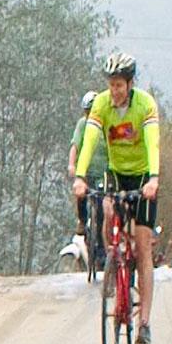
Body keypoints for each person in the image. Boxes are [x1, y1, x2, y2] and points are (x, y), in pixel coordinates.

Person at [73, 52, 161, 344]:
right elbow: (89, 141)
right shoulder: (101, 104)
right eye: (111, 85)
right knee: (107, 208)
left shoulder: (145, 105)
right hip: (115, 172)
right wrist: (80, 176)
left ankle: (144, 323)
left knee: (144, 246)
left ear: (130, 84)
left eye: (119, 85)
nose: (115, 91)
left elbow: (152, 142)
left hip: (142, 176)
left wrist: (153, 178)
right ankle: (114, 259)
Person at [69, 90, 106, 238]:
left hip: (103, 174)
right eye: (87, 112)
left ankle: (100, 239)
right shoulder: (82, 124)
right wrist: (72, 165)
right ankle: (82, 221)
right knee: (81, 194)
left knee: (102, 205)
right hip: (86, 172)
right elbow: (75, 145)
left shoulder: (107, 125)